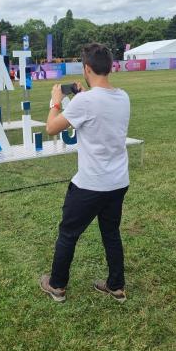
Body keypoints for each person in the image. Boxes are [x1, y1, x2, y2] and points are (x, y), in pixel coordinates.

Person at [40, 43, 130, 303]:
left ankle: (56, 285)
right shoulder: (123, 96)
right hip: (117, 181)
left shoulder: (85, 101)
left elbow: (51, 128)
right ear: (109, 67)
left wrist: (55, 102)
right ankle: (116, 286)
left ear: (86, 68)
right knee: (111, 234)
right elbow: (96, 109)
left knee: (68, 233)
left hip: (90, 184)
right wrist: (80, 95)